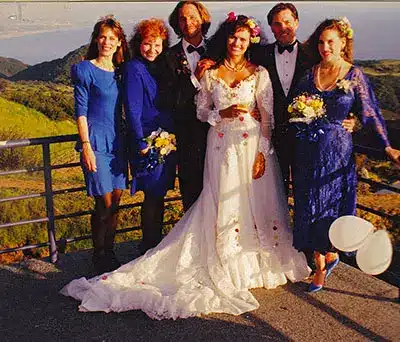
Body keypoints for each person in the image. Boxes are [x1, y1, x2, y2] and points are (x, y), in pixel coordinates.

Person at [60, 14, 310, 320]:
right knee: (219, 204)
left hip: (252, 148)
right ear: (224, 38)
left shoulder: (259, 73)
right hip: (219, 147)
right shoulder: (211, 72)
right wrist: (222, 114)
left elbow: (268, 115)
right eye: (232, 37)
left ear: (250, 43)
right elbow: (201, 110)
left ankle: (253, 259)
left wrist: (262, 151)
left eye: (243, 39)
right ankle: (213, 257)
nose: (237, 43)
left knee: (255, 204)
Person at [290, 17, 400, 292]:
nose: (325, 46)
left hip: (336, 154)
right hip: (306, 152)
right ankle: (324, 256)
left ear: (343, 43)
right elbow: (292, 108)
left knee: (329, 206)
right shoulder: (308, 74)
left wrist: (387, 145)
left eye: (331, 41)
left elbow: (371, 113)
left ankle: (322, 263)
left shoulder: (354, 75)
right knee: (308, 205)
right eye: (321, 41)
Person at [252, 3, 355, 195]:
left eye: (287, 22)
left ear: (297, 23)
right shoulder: (259, 55)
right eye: (277, 24)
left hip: (307, 138)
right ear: (271, 28)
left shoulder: (314, 54)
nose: (283, 27)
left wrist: (351, 117)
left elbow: (340, 81)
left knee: (305, 192)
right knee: (274, 193)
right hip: (272, 135)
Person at [71, 15, 129, 274]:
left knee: (116, 201)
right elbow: (80, 111)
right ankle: (98, 254)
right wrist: (85, 145)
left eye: (112, 38)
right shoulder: (85, 69)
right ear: (96, 39)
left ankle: (110, 251)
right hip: (95, 142)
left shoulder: (120, 71)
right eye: (102, 37)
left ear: (119, 43)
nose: (107, 42)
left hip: (118, 143)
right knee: (103, 203)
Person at [122, 19, 177, 255]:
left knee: (159, 193)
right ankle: (149, 246)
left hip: (166, 139)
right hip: (147, 141)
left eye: (157, 44)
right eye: (147, 44)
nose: (152, 49)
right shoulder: (133, 68)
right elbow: (132, 109)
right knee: (152, 195)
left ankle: (154, 243)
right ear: (138, 43)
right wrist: (141, 143)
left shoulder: (161, 67)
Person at [156, 1, 213, 211]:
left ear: (203, 19)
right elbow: (170, 101)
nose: (188, 22)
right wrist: (195, 78)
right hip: (187, 137)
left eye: (193, 17)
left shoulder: (217, 50)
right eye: (182, 18)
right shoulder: (168, 58)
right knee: (191, 195)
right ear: (177, 24)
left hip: (218, 134)